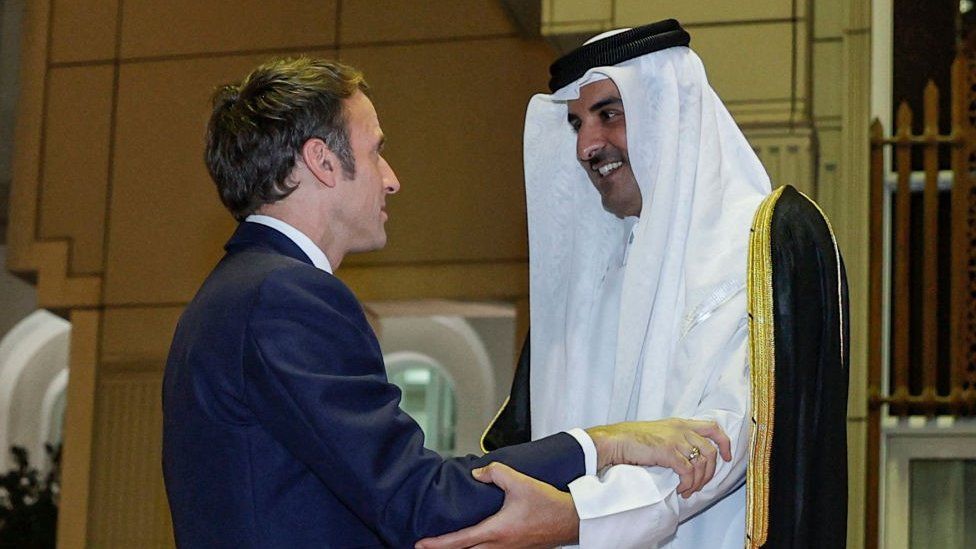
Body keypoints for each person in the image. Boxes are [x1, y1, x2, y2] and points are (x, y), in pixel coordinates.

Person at [161, 56, 736, 548]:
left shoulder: (237, 292)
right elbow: (422, 500)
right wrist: (610, 442)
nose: (391, 179)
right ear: (322, 161)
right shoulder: (286, 297)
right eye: (376, 151)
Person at [421, 20, 772, 549]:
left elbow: (725, 439)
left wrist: (583, 518)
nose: (588, 145)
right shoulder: (596, 273)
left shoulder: (746, 254)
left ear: (667, 115)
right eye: (576, 123)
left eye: (610, 114)